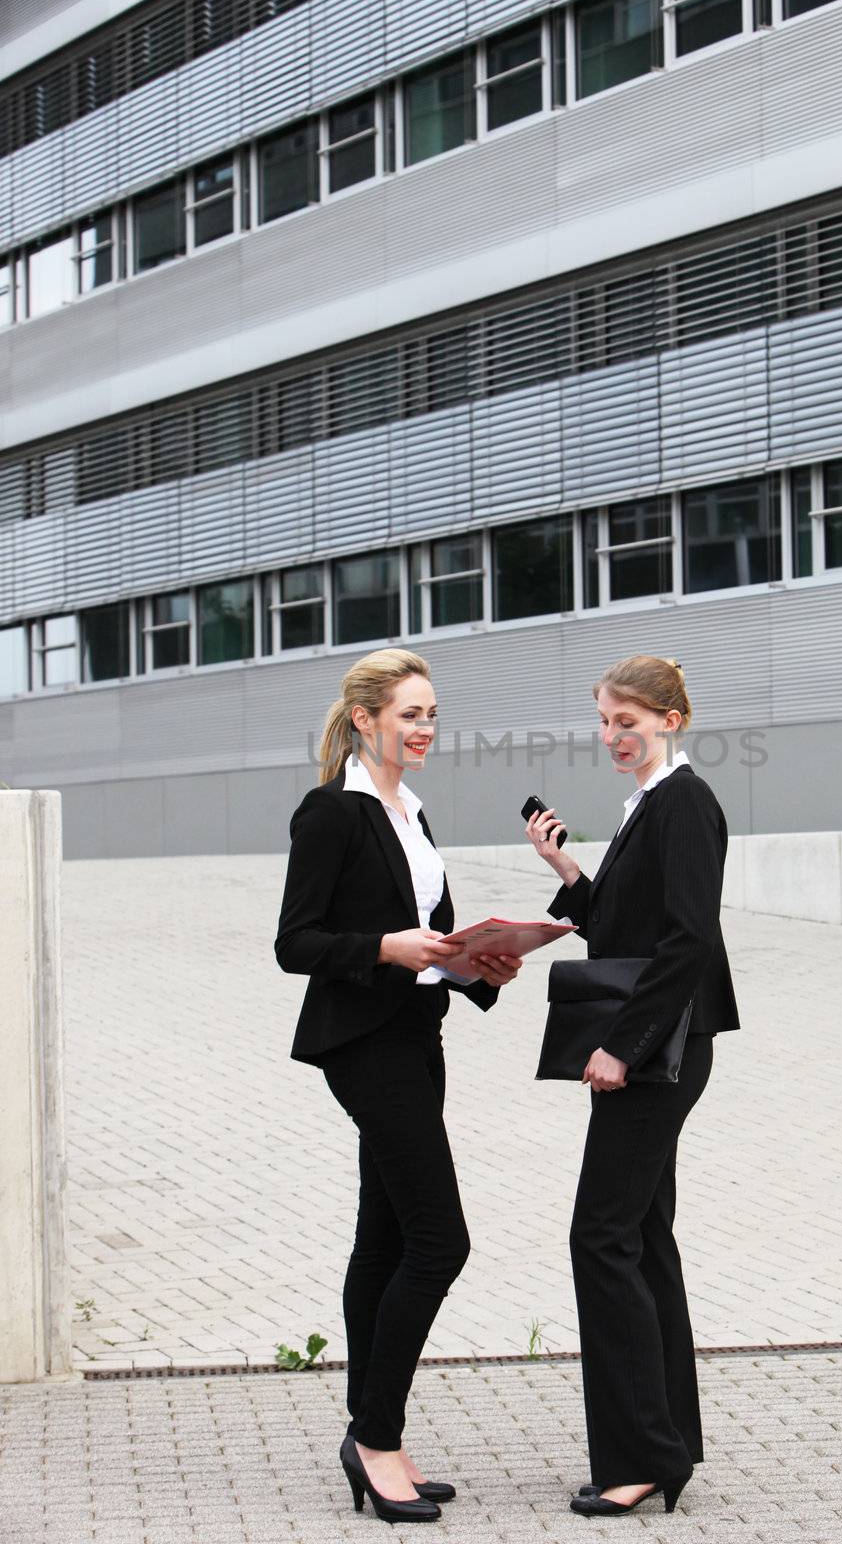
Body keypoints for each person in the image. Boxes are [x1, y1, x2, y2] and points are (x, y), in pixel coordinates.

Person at [275, 647, 522, 1526]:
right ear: (366, 718)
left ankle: (371, 1433)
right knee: (439, 1241)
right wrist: (384, 946)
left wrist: (477, 966)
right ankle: (375, 1439)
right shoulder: (332, 813)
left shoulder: (409, 813)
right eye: (409, 714)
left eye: (431, 716)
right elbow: (295, 943)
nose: (423, 730)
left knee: (381, 1241)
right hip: (364, 1044)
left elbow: (430, 942)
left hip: (419, 1037)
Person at [524, 654, 739, 1518]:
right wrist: (567, 874)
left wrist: (621, 1045)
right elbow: (619, 925)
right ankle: (664, 1448)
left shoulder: (684, 804)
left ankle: (641, 1457)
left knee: (600, 1238)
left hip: (658, 1052)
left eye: (628, 721)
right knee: (641, 1241)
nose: (613, 736)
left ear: (671, 720)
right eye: (605, 722)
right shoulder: (649, 805)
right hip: (654, 1048)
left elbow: (686, 940)